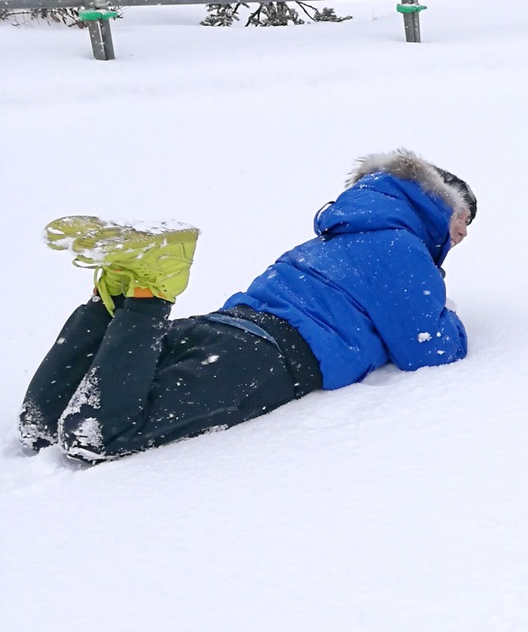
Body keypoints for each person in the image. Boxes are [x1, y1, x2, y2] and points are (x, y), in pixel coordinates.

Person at [19, 150, 475, 462]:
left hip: (226, 327)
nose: (464, 235)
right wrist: (447, 310)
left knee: (43, 422)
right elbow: (428, 350)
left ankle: (119, 291)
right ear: (439, 207)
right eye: (464, 219)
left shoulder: (334, 237)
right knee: (98, 435)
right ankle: (150, 291)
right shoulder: (402, 252)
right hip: (264, 359)